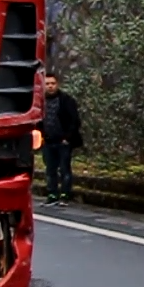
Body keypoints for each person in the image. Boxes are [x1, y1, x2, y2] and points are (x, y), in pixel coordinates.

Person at [37, 74, 83, 206]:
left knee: (64, 169)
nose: (50, 86)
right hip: (47, 140)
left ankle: (65, 194)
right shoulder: (41, 102)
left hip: (63, 141)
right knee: (50, 170)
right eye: (47, 84)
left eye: (53, 83)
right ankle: (52, 194)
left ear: (57, 84)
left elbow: (74, 121)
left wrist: (67, 138)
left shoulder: (66, 100)